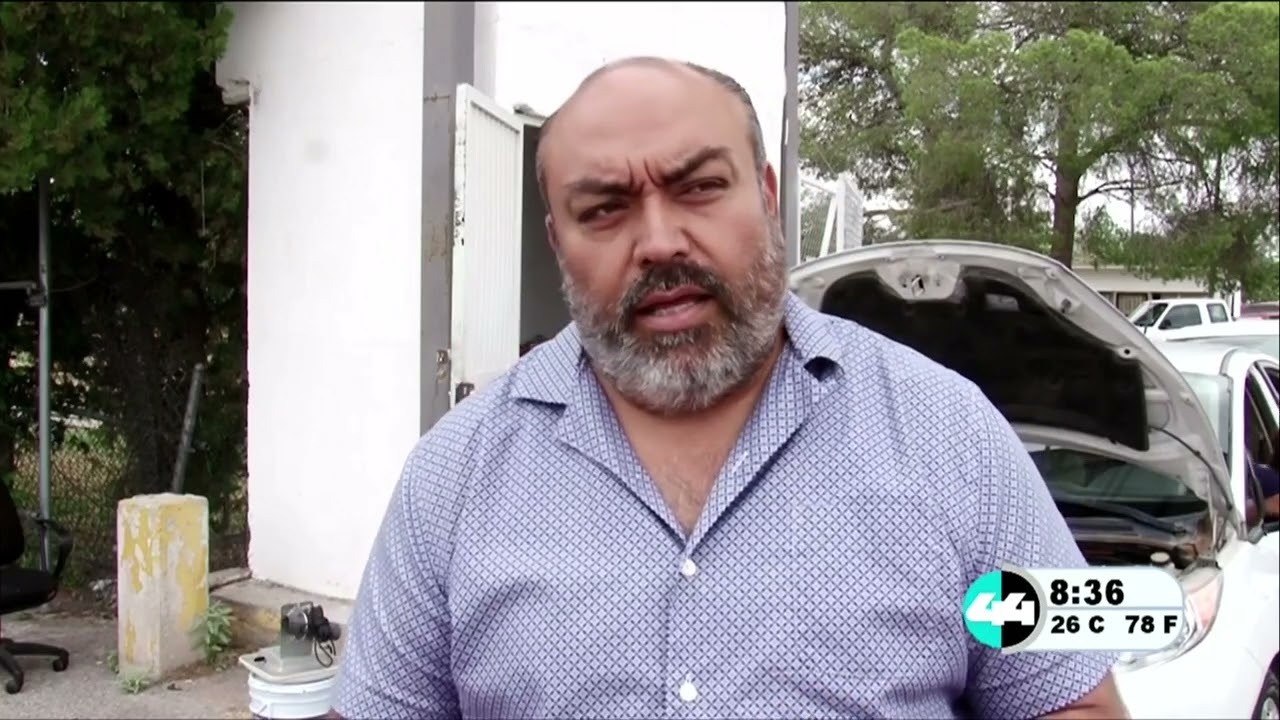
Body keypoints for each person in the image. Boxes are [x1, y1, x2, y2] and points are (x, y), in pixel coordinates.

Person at [330, 57, 1129, 719]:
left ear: (768, 197)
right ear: (558, 243)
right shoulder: (453, 477)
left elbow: (1072, 702)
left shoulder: (952, 435)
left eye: (700, 187)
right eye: (604, 209)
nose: (659, 241)